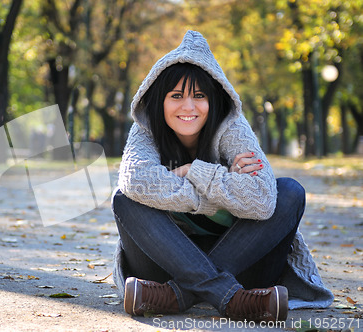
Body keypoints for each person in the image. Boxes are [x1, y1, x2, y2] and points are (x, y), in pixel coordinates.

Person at [111, 31, 333, 322]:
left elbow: (264, 200)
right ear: (159, 100)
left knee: (289, 192)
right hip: (162, 265)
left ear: (214, 99)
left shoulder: (233, 128)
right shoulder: (146, 130)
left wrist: (195, 171)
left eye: (199, 96)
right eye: (176, 96)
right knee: (125, 200)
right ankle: (231, 299)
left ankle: (177, 296)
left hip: (244, 266)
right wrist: (226, 184)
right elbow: (136, 182)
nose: (188, 107)